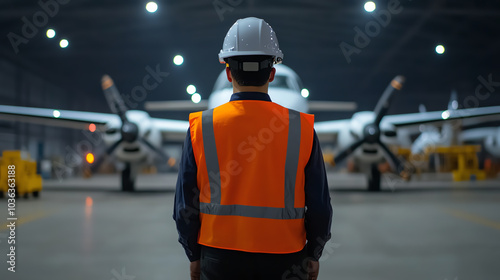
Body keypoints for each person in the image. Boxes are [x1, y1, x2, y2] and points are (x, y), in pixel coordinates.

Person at [173, 17, 332, 280]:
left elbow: (184, 206)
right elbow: (319, 204)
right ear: (272, 73)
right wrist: (314, 253)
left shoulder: (200, 127)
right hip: (286, 256)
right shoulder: (302, 128)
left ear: (227, 72)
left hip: (218, 256)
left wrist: (194, 254)